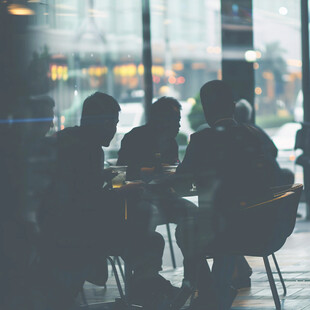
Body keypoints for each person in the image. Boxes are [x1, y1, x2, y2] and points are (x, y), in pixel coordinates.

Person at [38, 92, 177, 310]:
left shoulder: (72, 141)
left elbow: (78, 189)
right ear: (102, 122)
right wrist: (123, 192)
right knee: (149, 234)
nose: (114, 130)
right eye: (113, 122)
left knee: (146, 232)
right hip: (78, 232)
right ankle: (144, 287)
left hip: (59, 228)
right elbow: (86, 201)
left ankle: (144, 286)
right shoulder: (87, 149)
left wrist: (103, 178)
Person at [174, 80, 277, 309]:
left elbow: (180, 183)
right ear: (232, 106)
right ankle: (216, 294)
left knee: (186, 231)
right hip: (260, 227)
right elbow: (272, 176)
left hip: (222, 229)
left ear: (207, 109)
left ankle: (211, 294)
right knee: (223, 229)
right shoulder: (254, 136)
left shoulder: (201, 140)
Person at [117, 96, 196, 229]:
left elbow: (172, 172)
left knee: (193, 214)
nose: (179, 125)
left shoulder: (171, 143)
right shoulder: (135, 138)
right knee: (147, 213)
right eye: (176, 120)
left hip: (164, 196)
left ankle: (189, 245)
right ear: (163, 120)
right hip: (138, 196)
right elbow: (121, 175)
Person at [235, 98, 294, 186]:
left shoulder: (237, 133)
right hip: (272, 176)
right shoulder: (256, 130)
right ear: (249, 114)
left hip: (259, 183)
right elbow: (274, 151)